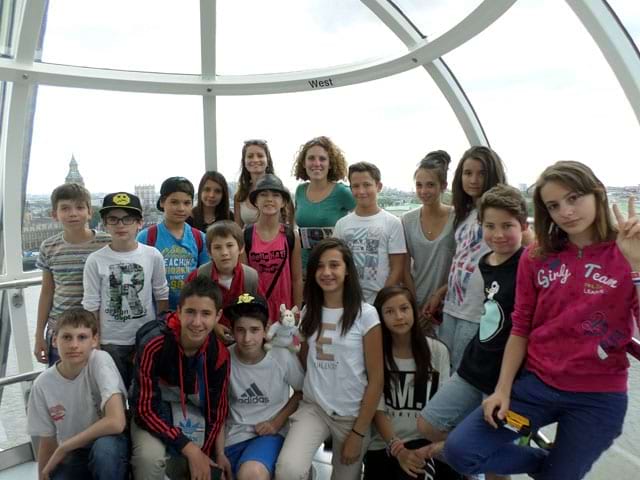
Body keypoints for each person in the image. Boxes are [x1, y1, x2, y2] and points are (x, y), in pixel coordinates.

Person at [443, 161, 640, 479]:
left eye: (574, 198)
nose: (566, 212)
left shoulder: (628, 252)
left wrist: (637, 267)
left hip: (598, 397)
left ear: (598, 194)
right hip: (537, 387)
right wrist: (502, 390)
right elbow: (520, 327)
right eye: (554, 205)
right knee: (461, 451)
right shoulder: (537, 257)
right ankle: (551, 465)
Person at [417, 184, 528, 480]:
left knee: (495, 462)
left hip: (506, 373)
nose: (498, 234)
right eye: (490, 226)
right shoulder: (486, 261)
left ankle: (531, 460)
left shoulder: (529, 265)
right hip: (476, 361)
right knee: (428, 423)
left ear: (524, 226)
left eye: (508, 226)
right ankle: (465, 452)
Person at [276, 238, 384, 480]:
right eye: (320, 266)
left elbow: (376, 380)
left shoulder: (366, 314)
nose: (326, 272)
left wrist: (357, 433)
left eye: (334, 265)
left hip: (352, 416)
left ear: (347, 271)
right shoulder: (308, 312)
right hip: (315, 408)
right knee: (288, 471)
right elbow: (304, 357)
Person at [130, 276, 231, 480]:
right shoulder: (154, 344)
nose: (196, 322)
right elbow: (143, 409)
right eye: (190, 312)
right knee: (149, 459)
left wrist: (206, 454)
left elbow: (217, 410)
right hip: (154, 410)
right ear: (178, 311)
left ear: (218, 316)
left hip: (192, 411)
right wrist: (189, 448)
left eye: (206, 314)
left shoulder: (218, 354)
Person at [363, 286, 460, 480]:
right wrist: (399, 450)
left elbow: (444, 409)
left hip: (425, 443)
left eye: (404, 308)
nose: (399, 316)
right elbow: (377, 410)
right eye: (389, 311)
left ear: (414, 311)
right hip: (385, 443)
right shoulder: (375, 353)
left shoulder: (437, 351)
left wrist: (432, 448)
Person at [27, 308, 129, 480]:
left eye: (82, 337)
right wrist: (44, 474)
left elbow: (116, 422)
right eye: (67, 337)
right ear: (54, 340)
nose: (74, 345)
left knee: (104, 453)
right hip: (75, 452)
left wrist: (64, 447)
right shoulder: (42, 385)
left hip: (109, 443)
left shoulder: (100, 361)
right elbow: (48, 440)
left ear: (94, 340)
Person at [82, 192, 169, 388]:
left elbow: (161, 295)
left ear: (139, 223)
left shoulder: (152, 255)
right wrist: (95, 342)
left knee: (146, 391)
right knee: (112, 394)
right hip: (110, 341)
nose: (120, 225)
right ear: (105, 224)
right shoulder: (95, 260)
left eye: (127, 219)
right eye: (113, 219)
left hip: (145, 338)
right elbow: (91, 305)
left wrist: (160, 333)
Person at [220, 293, 305, 480]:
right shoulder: (224, 359)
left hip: (270, 436)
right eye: (240, 330)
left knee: (252, 473)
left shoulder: (281, 357)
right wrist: (218, 453)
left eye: (254, 330)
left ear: (266, 329)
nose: (247, 338)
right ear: (232, 331)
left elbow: (301, 391)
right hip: (234, 435)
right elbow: (217, 408)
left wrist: (276, 422)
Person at [440, 146, 507, 369]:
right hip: (453, 304)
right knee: (444, 367)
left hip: (477, 310)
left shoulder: (499, 212)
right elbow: (461, 258)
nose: (474, 180)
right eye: (468, 173)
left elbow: (527, 243)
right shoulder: (465, 212)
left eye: (481, 173)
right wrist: (441, 292)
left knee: (462, 372)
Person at [34, 183, 111, 366]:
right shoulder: (49, 247)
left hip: (96, 328)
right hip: (61, 328)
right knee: (62, 386)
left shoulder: (106, 244)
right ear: (55, 214)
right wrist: (39, 335)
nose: (73, 213)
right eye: (65, 208)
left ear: (89, 212)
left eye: (79, 207)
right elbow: (47, 292)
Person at [334, 162, 407, 304]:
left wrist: (382, 301)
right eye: (355, 186)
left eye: (367, 185)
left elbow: (397, 268)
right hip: (349, 300)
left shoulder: (392, 222)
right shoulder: (342, 224)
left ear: (378, 186)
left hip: (380, 300)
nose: (361, 191)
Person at [402, 151, 455, 332]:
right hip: (417, 300)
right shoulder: (407, 220)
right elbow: (404, 267)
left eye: (430, 185)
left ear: (443, 186)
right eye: (419, 185)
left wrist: (441, 295)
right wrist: (414, 306)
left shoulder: (458, 218)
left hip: (450, 301)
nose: (424, 191)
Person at [138, 176, 209, 310]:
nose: (181, 208)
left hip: (191, 311)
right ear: (162, 202)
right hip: (156, 312)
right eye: (174, 202)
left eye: (187, 203)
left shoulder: (200, 238)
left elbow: (204, 279)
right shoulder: (147, 237)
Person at [186, 220, 263, 341]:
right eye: (217, 247)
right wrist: (213, 326)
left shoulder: (250, 277)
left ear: (241, 248)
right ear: (209, 252)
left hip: (242, 342)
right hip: (206, 341)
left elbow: (259, 312)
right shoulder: (198, 276)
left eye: (230, 245)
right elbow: (187, 312)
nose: (224, 253)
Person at [244, 174, 302, 322]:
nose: (269, 199)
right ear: (256, 201)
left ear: (283, 202)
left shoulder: (290, 235)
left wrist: (297, 310)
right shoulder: (247, 235)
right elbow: (244, 280)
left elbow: (296, 278)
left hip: (285, 310)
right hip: (257, 308)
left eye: (276, 195)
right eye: (263, 195)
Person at [292, 136, 355, 272]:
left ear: (330, 164)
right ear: (304, 163)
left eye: (322, 159)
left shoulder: (341, 192)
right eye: (311, 158)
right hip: (305, 266)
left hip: (332, 268)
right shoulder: (300, 191)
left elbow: (364, 215)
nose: (316, 163)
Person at [234, 139, 275, 228]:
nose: (255, 160)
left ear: (267, 160)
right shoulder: (240, 196)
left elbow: (289, 227)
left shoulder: (281, 191)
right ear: (244, 162)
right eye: (250, 156)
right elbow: (238, 231)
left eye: (260, 156)